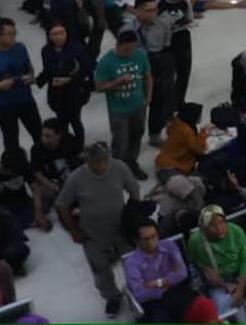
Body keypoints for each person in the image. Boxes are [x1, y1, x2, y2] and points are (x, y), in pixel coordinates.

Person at [56, 141, 141, 316]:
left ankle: (138, 291)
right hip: (93, 232)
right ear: (87, 160)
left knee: (133, 261)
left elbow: (134, 189)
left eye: (104, 159)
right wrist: (74, 230)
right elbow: (62, 205)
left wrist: (134, 214)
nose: (101, 164)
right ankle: (112, 298)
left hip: (121, 227)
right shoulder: (76, 178)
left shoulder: (120, 167)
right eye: (96, 161)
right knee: (100, 270)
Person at [95, 29, 153, 180]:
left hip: (138, 106)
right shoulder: (106, 62)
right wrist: (118, 82)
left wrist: (148, 97)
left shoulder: (140, 55)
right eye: (127, 49)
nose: (131, 52)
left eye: (134, 48)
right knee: (121, 142)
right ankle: (119, 172)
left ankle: (132, 164)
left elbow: (147, 76)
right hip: (118, 109)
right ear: (118, 45)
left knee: (136, 136)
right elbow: (99, 87)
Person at [0, 19, 42, 154]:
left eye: (14, 33)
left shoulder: (20, 48)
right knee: (11, 139)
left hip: (25, 99)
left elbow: (29, 67)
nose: (13, 37)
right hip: (3, 105)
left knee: (38, 133)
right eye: (9, 34)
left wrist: (30, 76)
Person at [188, 204, 246, 317]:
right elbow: (195, 261)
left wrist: (240, 290)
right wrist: (207, 270)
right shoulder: (195, 241)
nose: (219, 229)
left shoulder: (236, 231)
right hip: (219, 282)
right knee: (226, 307)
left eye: (222, 222)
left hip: (243, 274)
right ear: (204, 228)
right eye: (212, 226)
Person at [124, 219, 197, 322]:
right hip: (155, 303)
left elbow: (182, 273)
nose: (151, 242)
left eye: (154, 236)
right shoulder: (132, 263)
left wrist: (156, 283)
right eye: (146, 239)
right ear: (136, 240)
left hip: (179, 292)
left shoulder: (169, 246)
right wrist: (166, 285)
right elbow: (140, 294)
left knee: (202, 309)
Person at [29, 118, 81, 231]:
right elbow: (37, 173)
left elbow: (80, 160)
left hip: (71, 178)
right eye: (43, 135)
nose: (44, 139)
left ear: (59, 135)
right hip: (51, 183)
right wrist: (55, 187)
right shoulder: (37, 149)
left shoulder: (69, 141)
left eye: (48, 136)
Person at [0, 148, 43, 231]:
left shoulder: (22, 166)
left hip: (23, 202)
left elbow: (35, 187)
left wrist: (39, 211)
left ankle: (18, 223)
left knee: (46, 199)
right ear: (8, 171)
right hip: (2, 208)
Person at [156, 102, 210, 181]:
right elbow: (200, 148)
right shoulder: (185, 131)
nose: (201, 117)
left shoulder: (178, 124)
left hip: (167, 162)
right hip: (171, 166)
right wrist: (204, 133)